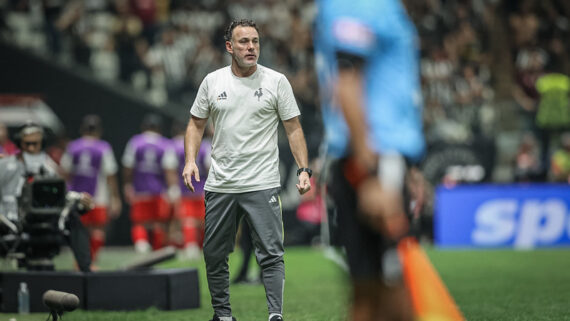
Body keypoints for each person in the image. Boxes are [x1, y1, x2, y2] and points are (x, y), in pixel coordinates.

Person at [182, 19, 311, 321]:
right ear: (230, 46)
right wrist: (190, 160)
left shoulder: (276, 81)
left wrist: (304, 168)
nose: (251, 47)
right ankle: (223, 315)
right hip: (221, 184)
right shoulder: (213, 82)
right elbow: (195, 124)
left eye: (255, 41)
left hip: (262, 183)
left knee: (271, 253)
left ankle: (275, 315)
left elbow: (293, 129)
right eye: (243, 42)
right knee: (214, 254)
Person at [315, 1, 426, 321]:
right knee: (396, 290)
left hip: (377, 158)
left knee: (368, 294)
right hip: (374, 159)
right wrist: (370, 173)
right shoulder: (361, 3)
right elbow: (347, 85)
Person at [0, 121, 94, 271]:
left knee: (74, 217)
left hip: (37, 220)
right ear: (19, 143)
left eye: (35, 144)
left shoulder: (48, 170)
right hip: (7, 221)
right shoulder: (4, 166)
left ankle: (86, 274)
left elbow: (61, 197)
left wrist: (80, 203)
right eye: (27, 144)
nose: (31, 148)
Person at [60, 115, 122, 263]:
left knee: (78, 229)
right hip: (98, 197)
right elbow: (110, 175)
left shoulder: (73, 147)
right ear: (99, 131)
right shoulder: (103, 147)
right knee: (98, 229)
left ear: (82, 129)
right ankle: (91, 260)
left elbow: (65, 172)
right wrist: (115, 197)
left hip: (76, 197)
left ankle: (79, 261)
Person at [122, 113, 179, 253]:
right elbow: (169, 169)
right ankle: (157, 250)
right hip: (159, 191)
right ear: (159, 128)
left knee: (140, 222)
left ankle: (141, 244)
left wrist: (127, 185)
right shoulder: (165, 144)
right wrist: (173, 188)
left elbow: (128, 167)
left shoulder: (135, 142)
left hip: (140, 190)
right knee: (158, 223)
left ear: (143, 127)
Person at [172, 121, 211, 259]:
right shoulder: (206, 145)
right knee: (202, 221)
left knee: (188, 220)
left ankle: (191, 246)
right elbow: (209, 167)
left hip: (185, 189)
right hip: (202, 189)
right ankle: (201, 247)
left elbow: (170, 168)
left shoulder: (176, 146)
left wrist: (172, 187)